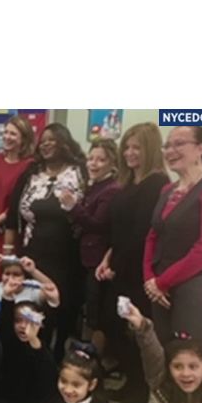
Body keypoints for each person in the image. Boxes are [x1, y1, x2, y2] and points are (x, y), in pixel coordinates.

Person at [96, 122, 169, 403]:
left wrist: (117, 265)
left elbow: (141, 234)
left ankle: (140, 393)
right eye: (126, 147)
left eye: (136, 147)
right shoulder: (129, 184)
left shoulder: (156, 184)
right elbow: (119, 231)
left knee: (135, 332)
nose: (129, 153)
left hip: (138, 272)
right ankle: (130, 383)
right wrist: (107, 259)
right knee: (112, 325)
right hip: (119, 266)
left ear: (149, 149)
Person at [5, 122, 88, 358]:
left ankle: (58, 359)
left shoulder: (80, 173)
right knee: (32, 310)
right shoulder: (31, 173)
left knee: (62, 311)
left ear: (64, 143)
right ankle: (30, 357)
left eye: (52, 140)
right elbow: (13, 215)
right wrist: (8, 254)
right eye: (43, 141)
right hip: (33, 255)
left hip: (68, 259)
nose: (46, 145)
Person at [143, 126, 202, 348]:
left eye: (179, 144)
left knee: (186, 355)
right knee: (160, 350)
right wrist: (149, 279)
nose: (170, 151)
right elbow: (153, 234)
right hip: (159, 288)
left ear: (201, 148)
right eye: (167, 146)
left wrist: (162, 282)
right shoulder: (167, 190)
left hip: (193, 286)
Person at [68, 140, 122, 355]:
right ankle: (85, 346)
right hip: (83, 255)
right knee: (86, 304)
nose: (93, 163)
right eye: (91, 158)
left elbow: (98, 224)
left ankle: (94, 354)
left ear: (112, 163)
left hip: (98, 258)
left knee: (96, 307)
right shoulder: (92, 186)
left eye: (101, 160)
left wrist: (73, 207)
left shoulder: (111, 189)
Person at [0, 115, 37, 253]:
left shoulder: (29, 165)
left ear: (24, 139)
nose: (7, 137)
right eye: (6, 132)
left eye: (13, 134)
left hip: (11, 230)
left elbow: (20, 199)